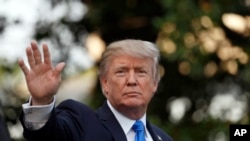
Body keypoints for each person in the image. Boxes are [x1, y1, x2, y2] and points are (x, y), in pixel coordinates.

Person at [18, 39, 173, 141]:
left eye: (141, 72)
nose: (131, 81)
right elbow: (45, 136)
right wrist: (41, 101)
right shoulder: (81, 122)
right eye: (121, 72)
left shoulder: (164, 138)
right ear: (105, 83)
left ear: (154, 84)